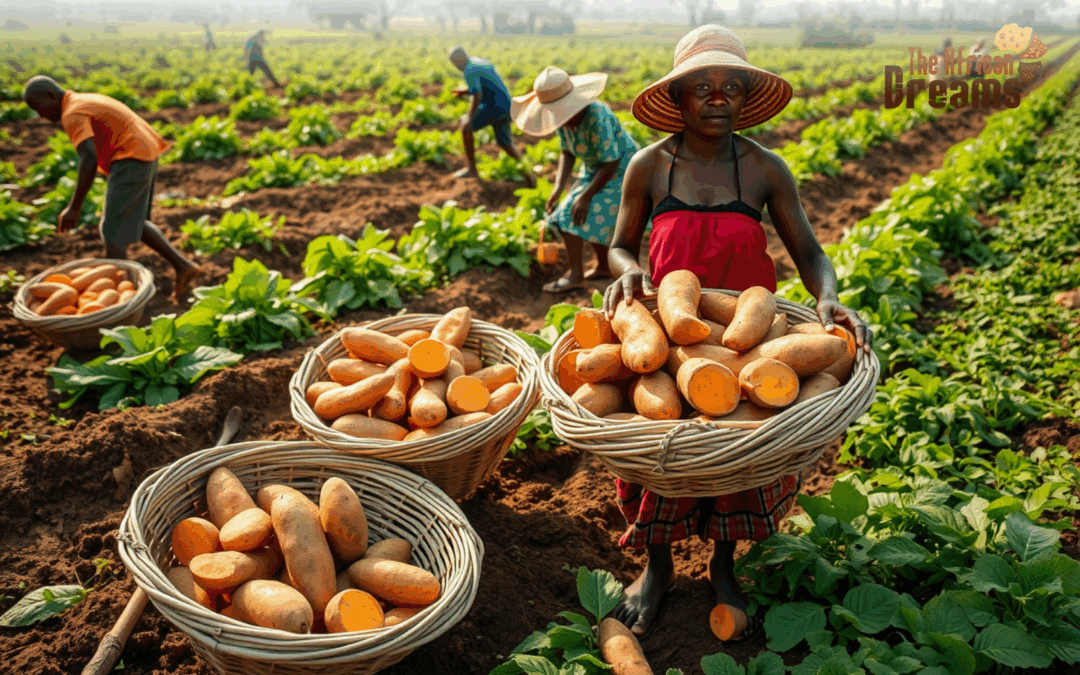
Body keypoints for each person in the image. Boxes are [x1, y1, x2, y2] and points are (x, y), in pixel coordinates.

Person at [601, 25, 872, 640]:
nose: (717, 98)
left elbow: (810, 252)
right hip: (672, 344)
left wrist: (829, 297)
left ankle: (724, 565)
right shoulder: (649, 167)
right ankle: (660, 565)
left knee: (743, 453)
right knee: (662, 452)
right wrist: (633, 271)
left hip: (750, 341)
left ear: (746, 98)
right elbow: (617, 248)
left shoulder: (764, 170)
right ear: (680, 97)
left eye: (731, 87)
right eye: (703, 87)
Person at [22, 75, 199, 298]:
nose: (41, 117)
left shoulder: (72, 113)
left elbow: (88, 159)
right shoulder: (80, 100)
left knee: (110, 231)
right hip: (142, 150)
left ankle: (124, 298)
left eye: (39, 108)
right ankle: (183, 266)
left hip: (130, 156)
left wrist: (74, 207)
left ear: (50, 95)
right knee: (135, 219)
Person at [510, 66, 638, 293]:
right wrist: (558, 188)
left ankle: (576, 276)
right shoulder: (562, 120)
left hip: (623, 171)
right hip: (595, 170)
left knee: (572, 215)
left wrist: (586, 196)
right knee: (581, 213)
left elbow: (611, 161)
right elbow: (567, 152)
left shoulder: (596, 116)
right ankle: (603, 267)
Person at [448, 46, 533, 186]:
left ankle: (472, 169)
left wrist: (470, 117)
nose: (455, 66)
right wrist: (466, 91)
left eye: (454, 63)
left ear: (458, 61)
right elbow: (487, 84)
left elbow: (477, 95)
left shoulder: (469, 70)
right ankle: (530, 178)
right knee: (506, 143)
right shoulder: (478, 62)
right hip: (506, 106)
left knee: (465, 127)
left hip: (494, 107)